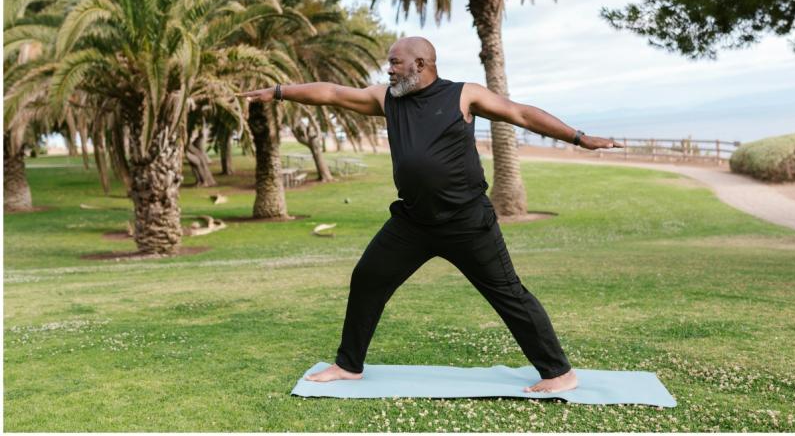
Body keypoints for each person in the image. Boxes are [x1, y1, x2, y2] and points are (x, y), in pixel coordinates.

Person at [236, 37, 623, 393]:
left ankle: (559, 373)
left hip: (467, 222)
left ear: (420, 64)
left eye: (394, 62)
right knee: (368, 278)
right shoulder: (387, 99)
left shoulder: (463, 95)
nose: (387, 70)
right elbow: (334, 93)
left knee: (508, 293)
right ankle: (348, 365)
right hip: (412, 222)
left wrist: (578, 137)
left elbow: (520, 113)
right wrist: (278, 91)